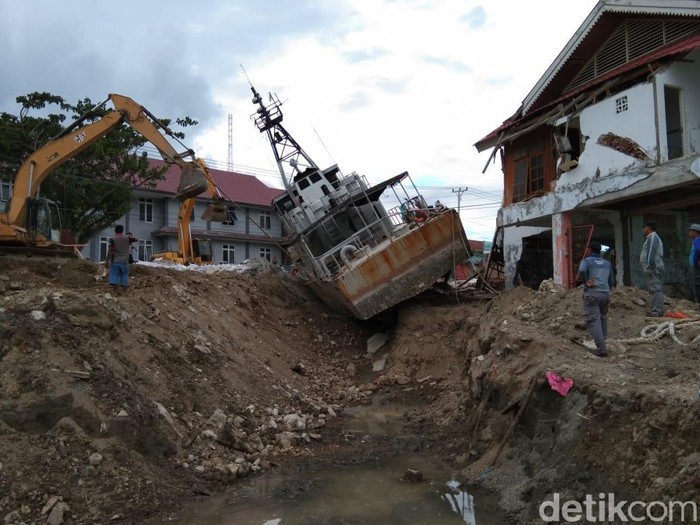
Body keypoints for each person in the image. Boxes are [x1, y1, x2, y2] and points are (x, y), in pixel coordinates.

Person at [577, 241, 616, 357]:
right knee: (603, 318)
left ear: (589, 250)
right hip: (605, 294)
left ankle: (602, 350)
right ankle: (604, 343)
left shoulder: (586, 261)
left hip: (592, 294)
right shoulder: (606, 263)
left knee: (594, 321)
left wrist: (586, 282)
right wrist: (607, 290)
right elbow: (612, 281)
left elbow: (582, 271)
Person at [639, 220, 665, 317]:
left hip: (653, 267)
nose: (643, 229)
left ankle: (657, 311)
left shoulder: (653, 237)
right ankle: (655, 309)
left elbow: (651, 252)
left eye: (644, 227)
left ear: (648, 227)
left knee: (655, 288)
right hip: (653, 267)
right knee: (653, 288)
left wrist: (649, 266)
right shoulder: (651, 237)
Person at [106, 225, 137, 292]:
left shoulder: (112, 239)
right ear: (122, 230)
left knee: (114, 274)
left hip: (115, 260)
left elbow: (110, 250)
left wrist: (107, 259)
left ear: (115, 230)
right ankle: (123, 291)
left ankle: (115, 290)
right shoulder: (127, 238)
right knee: (124, 274)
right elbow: (135, 239)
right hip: (125, 260)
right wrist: (129, 238)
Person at [688, 223, 700, 302]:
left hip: (697, 268)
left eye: (690, 231)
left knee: (697, 285)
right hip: (696, 267)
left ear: (695, 232)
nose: (689, 233)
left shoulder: (697, 240)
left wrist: (696, 262)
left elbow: (698, 250)